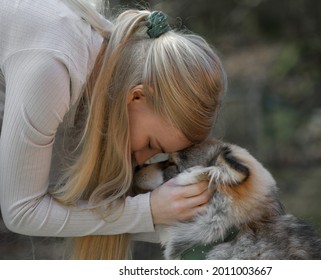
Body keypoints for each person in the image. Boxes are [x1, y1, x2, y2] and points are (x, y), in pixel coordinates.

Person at [0, 0, 226, 259]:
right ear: (137, 96)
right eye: (151, 144)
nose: (141, 159)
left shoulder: (93, 57)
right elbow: (22, 211)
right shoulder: (54, 64)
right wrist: (148, 211)